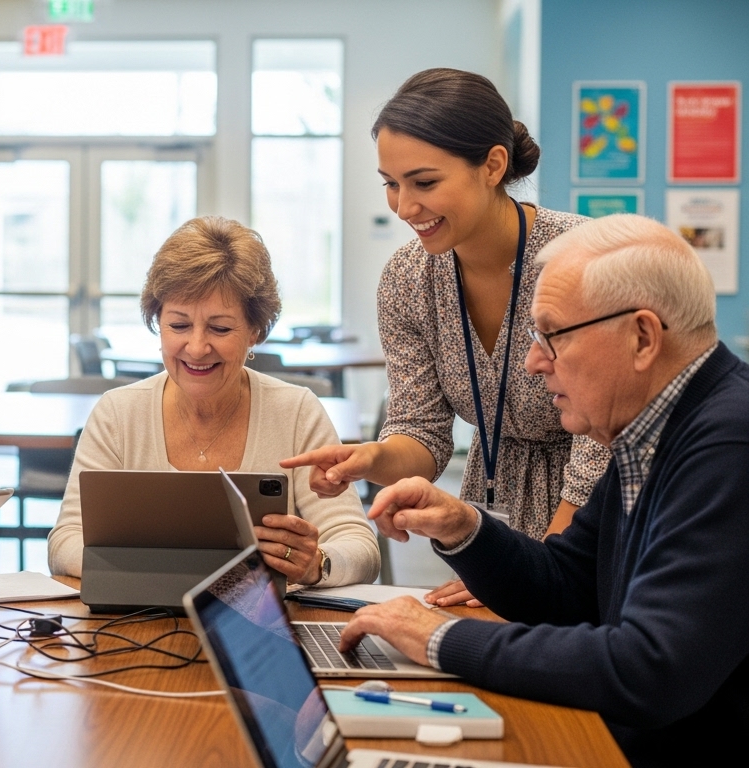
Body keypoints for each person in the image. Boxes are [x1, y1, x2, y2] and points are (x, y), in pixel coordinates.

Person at [337, 215, 749, 766]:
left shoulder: (727, 444)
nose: (535, 362)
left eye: (552, 335)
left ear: (643, 337)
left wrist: (437, 637)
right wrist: (467, 530)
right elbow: (568, 588)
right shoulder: (655, 428)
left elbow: (650, 668)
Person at [282, 68, 610, 607]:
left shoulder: (580, 257)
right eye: (391, 183)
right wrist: (372, 458)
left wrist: (539, 571)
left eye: (425, 182)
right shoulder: (408, 278)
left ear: (493, 165)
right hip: (497, 503)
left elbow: (600, 439)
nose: (405, 207)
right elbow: (423, 434)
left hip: (595, 512)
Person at [48, 216, 380, 586]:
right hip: (136, 618)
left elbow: (360, 546)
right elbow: (64, 541)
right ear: (158, 322)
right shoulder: (118, 413)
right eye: (178, 325)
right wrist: (176, 575)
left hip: (262, 630)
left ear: (255, 330)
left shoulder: (296, 411)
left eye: (220, 328)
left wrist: (317, 563)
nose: (196, 347)